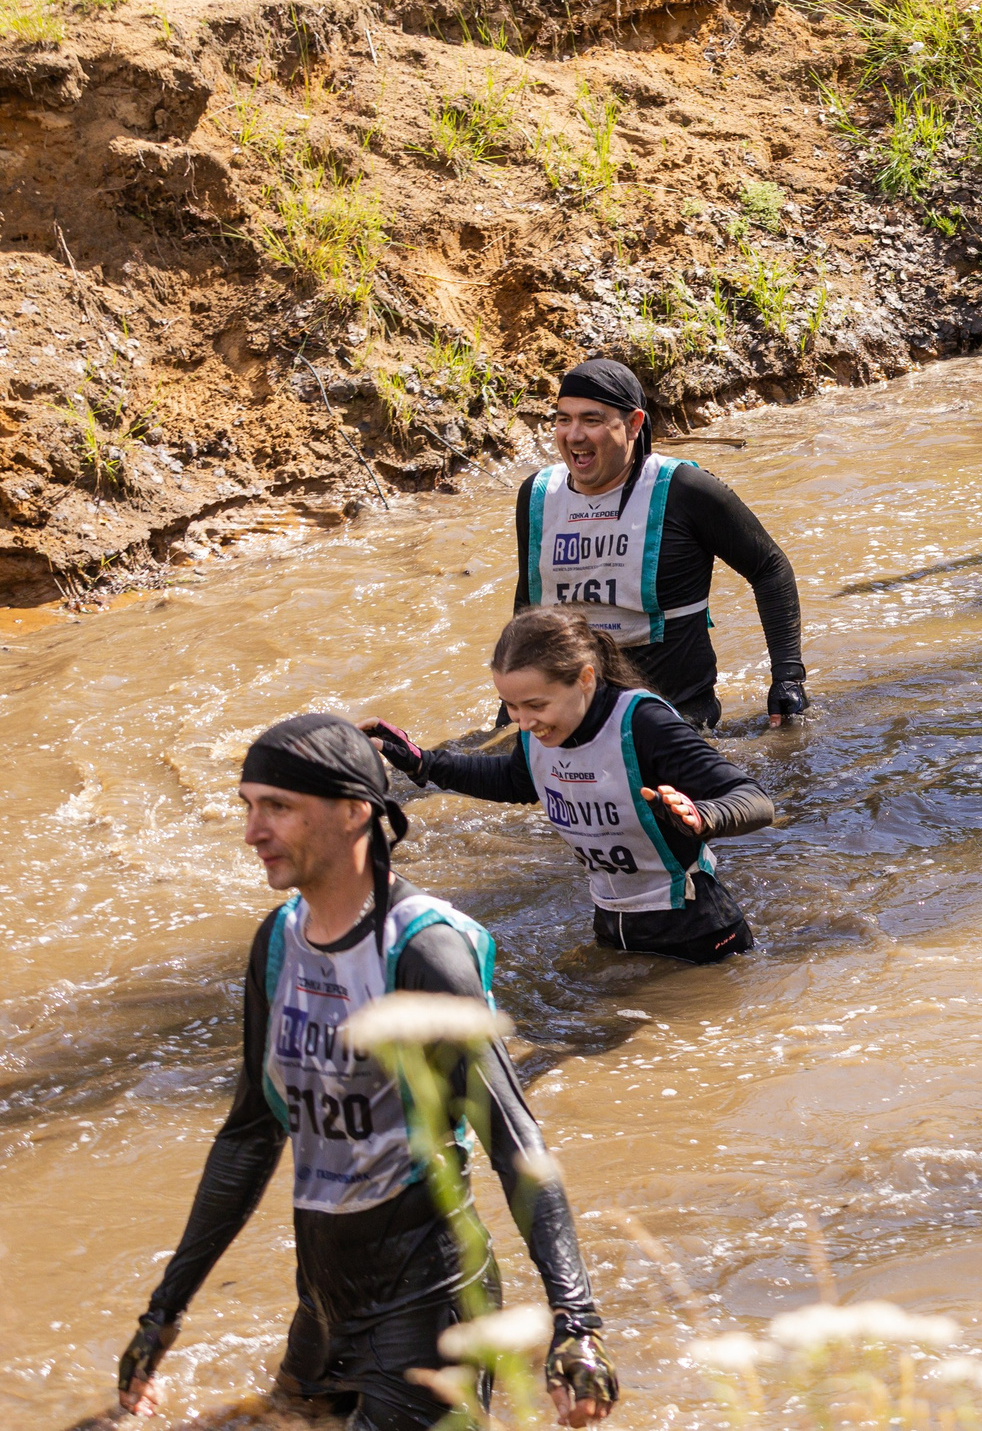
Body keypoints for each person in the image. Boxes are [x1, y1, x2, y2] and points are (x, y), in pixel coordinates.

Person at [116, 714, 618, 1431]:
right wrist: (162, 1314)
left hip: (430, 1309)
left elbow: (516, 1144)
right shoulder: (277, 942)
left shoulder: (423, 953)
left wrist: (578, 1322)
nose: (252, 831)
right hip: (323, 1302)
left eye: (278, 807)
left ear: (356, 811)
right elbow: (249, 1136)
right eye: (247, 805)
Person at [367, 608, 773, 965]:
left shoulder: (644, 724)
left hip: (701, 937)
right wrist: (422, 762)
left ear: (584, 678)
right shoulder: (535, 732)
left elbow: (755, 800)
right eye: (511, 706)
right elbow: (514, 781)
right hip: (614, 930)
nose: (523, 722)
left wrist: (703, 817)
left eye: (536, 706)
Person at [516, 358, 805, 731]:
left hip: (674, 716)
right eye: (563, 419)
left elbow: (769, 568)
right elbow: (529, 600)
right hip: (571, 715)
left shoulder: (685, 489)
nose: (574, 435)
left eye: (592, 420)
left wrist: (787, 676)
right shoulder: (538, 495)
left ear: (634, 424)